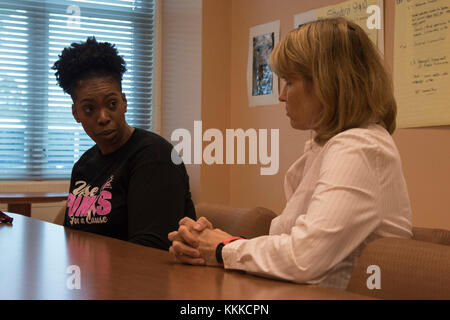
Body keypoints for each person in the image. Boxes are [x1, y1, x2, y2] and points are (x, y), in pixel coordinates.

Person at [168, 18, 412, 290]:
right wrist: (209, 243)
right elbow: (290, 244)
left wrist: (223, 248)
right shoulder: (328, 147)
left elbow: (303, 258)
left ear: (326, 84)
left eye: (289, 82)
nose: (282, 96)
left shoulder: (359, 148)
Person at [52, 36, 196, 250]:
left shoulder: (154, 157)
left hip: (140, 281)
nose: (103, 117)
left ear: (124, 102)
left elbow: (150, 249)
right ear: (76, 113)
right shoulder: (84, 165)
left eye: (111, 104)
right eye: (89, 109)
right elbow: (72, 239)